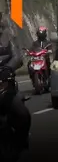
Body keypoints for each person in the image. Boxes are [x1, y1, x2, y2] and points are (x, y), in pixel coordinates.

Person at [0, 21, 29, 151]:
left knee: (23, 115)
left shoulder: (8, 37)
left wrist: (8, 68)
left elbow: (18, 56)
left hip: (5, 88)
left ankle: (21, 141)